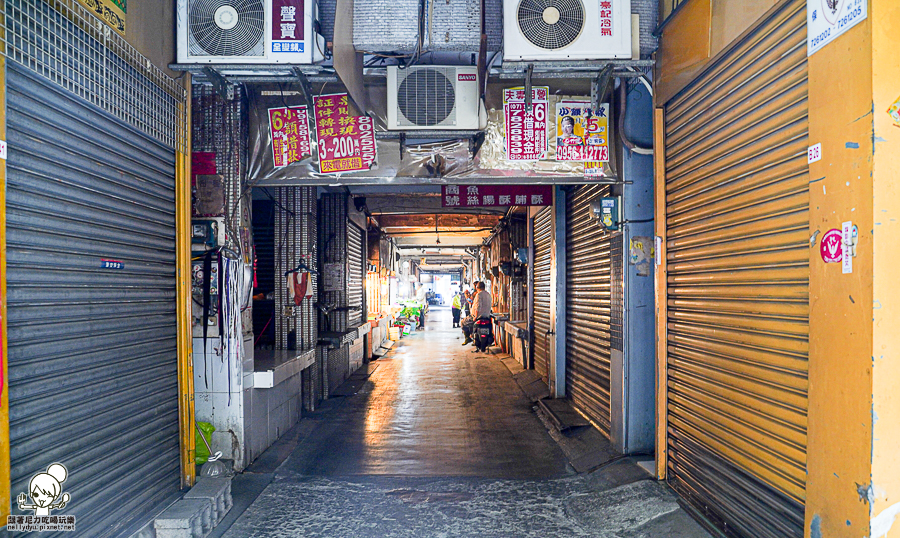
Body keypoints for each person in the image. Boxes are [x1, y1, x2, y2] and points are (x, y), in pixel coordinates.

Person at [461, 281, 492, 346]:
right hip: (487, 316)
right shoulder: (488, 294)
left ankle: (467, 338)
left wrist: (475, 317)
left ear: (477, 287)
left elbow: (478, 306)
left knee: (463, 322)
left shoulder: (478, 295)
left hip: (477, 316)